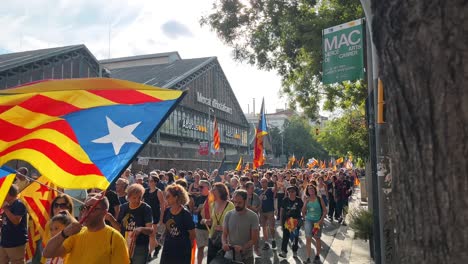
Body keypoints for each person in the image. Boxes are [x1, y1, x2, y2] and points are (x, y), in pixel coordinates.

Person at [43, 193, 130, 263]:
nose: (86, 212)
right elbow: (48, 253)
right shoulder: (76, 233)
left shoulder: (115, 238)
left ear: (104, 212)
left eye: (92, 208)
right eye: (84, 207)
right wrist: (64, 233)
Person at [107, 184, 153, 264]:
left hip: (140, 246)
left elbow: (150, 230)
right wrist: (111, 219)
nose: (137, 200)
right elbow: (119, 228)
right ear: (128, 197)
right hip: (125, 244)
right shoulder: (123, 207)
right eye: (134, 198)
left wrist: (141, 229)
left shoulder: (146, 208)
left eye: (140, 197)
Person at [160, 184, 196, 264]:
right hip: (168, 247)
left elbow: (192, 234)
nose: (166, 198)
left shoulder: (185, 214)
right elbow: (167, 226)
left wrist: (187, 247)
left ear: (176, 197)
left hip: (182, 250)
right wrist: (163, 235)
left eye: (168, 196)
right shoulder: (167, 211)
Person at [222, 190, 259, 264]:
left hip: (246, 258)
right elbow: (224, 234)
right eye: (235, 202)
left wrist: (243, 247)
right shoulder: (228, 215)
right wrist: (224, 244)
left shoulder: (253, 216)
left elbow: (254, 239)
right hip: (229, 256)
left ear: (246, 201)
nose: (236, 205)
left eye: (239, 203)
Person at [204, 182, 235, 263]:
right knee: (211, 261)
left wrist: (223, 228)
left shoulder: (230, 205)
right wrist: (207, 221)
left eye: (213, 189)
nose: (211, 191)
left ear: (220, 191)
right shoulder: (212, 205)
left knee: (223, 261)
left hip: (225, 239)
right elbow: (212, 221)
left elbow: (234, 223)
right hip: (213, 238)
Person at [0, 185, 28, 264]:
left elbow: (16, 221)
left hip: (16, 242)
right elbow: (7, 221)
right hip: (4, 242)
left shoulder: (19, 204)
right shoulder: (8, 205)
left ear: (8, 194)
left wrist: (5, 209)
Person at [302, 185, 327, 264]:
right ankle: (308, 257)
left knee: (317, 238)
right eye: (309, 189)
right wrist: (305, 202)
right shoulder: (307, 199)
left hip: (317, 222)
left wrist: (321, 220)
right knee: (308, 238)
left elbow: (325, 211)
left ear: (315, 190)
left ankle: (317, 255)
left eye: (312, 189)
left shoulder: (319, 199)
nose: (311, 190)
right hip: (309, 220)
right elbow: (303, 211)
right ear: (307, 191)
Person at [143, 174, 165, 259]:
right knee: (150, 235)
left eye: (151, 181)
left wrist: (161, 218)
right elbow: (143, 202)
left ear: (155, 182)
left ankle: (149, 253)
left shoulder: (158, 192)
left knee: (152, 235)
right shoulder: (146, 191)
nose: (149, 182)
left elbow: (162, 205)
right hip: (146, 215)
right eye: (148, 180)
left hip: (155, 214)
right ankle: (157, 246)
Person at [279, 186, 303, 259]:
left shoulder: (299, 200)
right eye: (289, 192)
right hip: (286, 221)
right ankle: (284, 252)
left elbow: (303, 210)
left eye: (292, 191)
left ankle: (295, 251)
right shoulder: (285, 200)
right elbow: (281, 210)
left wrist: (302, 218)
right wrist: (280, 221)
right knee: (285, 236)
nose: (291, 193)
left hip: (296, 221)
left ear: (296, 192)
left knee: (295, 237)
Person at [192, 180, 211, 264]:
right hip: (200, 227)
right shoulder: (198, 198)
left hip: (211, 227)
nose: (199, 189)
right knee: (200, 248)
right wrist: (197, 210)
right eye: (199, 187)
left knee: (211, 250)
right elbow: (194, 213)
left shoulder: (213, 197)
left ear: (208, 188)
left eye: (201, 187)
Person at [259, 177, 276, 250]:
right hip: (262, 211)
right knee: (264, 227)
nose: (263, 183)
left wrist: (275, 182)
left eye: (264, 182)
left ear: (267, 183)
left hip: (270, 211)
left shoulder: (270, 189)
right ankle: (266, 243)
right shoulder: (259, 191)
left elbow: (275, 189)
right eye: (262, 182)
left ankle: (273, 239)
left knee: (271, 227)